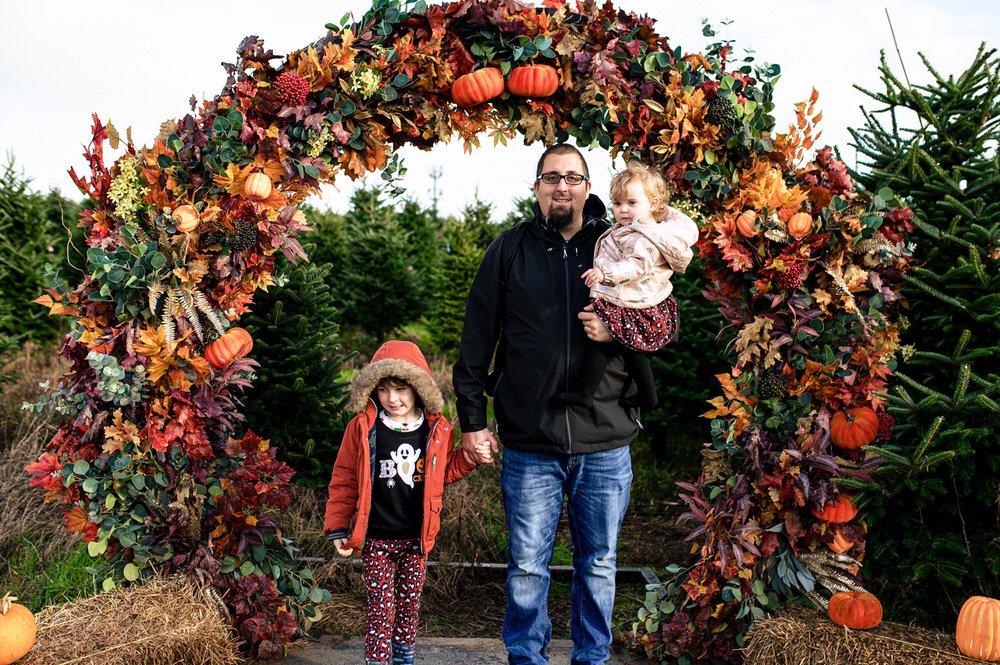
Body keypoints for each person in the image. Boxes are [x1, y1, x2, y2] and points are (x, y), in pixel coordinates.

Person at [453, 143, 640, 665]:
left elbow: (660, 326)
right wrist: (473, 423)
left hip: (605, 435)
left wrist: (616, 327)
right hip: (530, 438)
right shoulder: (508, 250)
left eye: (573, 177)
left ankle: (591, 658)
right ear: (535, 186)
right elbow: (475, 340)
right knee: (528, 565)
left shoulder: (619, 247)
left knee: (599, 563)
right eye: (551, 177)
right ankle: (527, 659)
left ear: (588, 186)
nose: (562, 186)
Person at [324, 340, 485, 665]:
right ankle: (378, 660)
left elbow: (443, 473)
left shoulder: (435, 431)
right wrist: (338, 525)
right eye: (383, 390)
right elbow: (344, 480)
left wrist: (470, 460)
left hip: (416, 540)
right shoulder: (363, 429)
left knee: (409, 606)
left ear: (417, 388)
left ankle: (404, 657)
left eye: (400, 389)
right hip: (377, 540)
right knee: (381, 607)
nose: (392, 398)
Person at [557, 160, 699, 409]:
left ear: (652, 204)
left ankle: (587, 393)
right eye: (618, 203)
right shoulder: (631, 228)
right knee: (626, 347)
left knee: (608, 343)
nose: (623, 210)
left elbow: (636, 266)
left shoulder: (645, 236)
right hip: (630, 296)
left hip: (635, 298)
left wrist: (604, 274)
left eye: (632, 203)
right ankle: (643, 394)